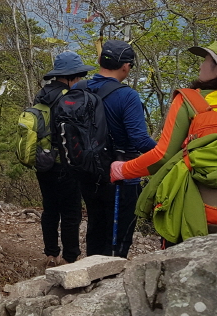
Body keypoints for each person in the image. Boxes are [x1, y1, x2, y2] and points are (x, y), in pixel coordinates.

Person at [110, 38, 217, 243]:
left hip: (187, 215)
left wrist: (122, 170)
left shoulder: (189, 100)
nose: (201, 65)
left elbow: (162, 156)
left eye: (206, 59)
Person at [77, 40, 155, 258]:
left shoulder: (79, 89)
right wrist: (167, 154)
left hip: (87, 172)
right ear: (126, 66)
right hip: (121, 177)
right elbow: (140, 140)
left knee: (95, 226)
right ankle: (111, 275)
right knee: (118, 236)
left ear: (100, 61)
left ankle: (90, 269)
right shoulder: (127, 96)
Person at [33, 51, 93, 266]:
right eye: (79, 76)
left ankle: (51, 254)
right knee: (71, 212)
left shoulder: (41, 95)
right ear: (71, 76)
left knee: (50, 209)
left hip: (43, 161)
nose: (80, 80)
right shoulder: (72, 98)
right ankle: (70, 257)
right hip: (68, 162)